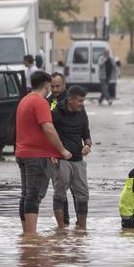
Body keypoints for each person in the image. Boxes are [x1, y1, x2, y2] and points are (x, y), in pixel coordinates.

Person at [15, 71, 73, 234]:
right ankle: (31, 236)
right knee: (34, 196)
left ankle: (26, 234)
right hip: (36, 157)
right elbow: (48, 128)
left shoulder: (24, 100)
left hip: (22, 154)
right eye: (50, 86)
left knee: (26, 194)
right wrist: (61, 150)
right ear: (47, 85)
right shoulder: (40, 102)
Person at [51, 85, 91, 229]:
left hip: (78, 160)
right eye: (80, 101)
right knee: (60, 194)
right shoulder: (56, 113)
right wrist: (52, 153)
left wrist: (87, 145)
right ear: (70, 100)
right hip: (61, 160)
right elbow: (46, 133)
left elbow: (86, 133)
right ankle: (61, 229)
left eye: (83, 101)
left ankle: (82, 229)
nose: (82, 104)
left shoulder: (82, 111)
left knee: (83, 195)